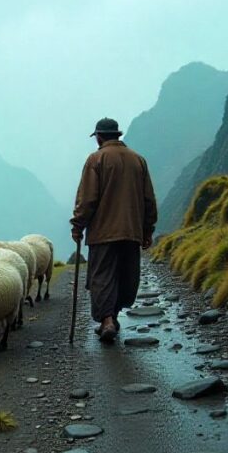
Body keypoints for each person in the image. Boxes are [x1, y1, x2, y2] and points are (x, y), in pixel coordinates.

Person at [70, 118, 157, 342]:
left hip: (103, 233)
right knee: (125, 275)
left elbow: (87, 198)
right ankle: (114, 317)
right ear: (117, 135)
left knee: (102, 277)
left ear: (99, 137)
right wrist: (147, 229)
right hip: (131, 231)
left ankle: (107, 320)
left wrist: (78, 225)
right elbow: (148, 199)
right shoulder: (138, 160)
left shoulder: (96, 159)